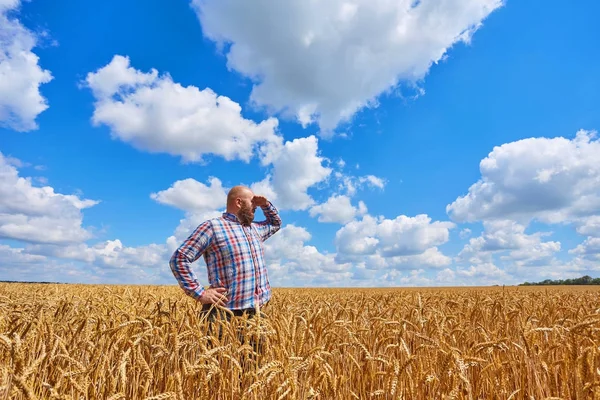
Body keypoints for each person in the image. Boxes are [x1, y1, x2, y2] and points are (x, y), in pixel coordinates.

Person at [168, 185, 282, 353]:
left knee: (254, 367)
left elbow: (275, 223)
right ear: (239, 202)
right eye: (253, 205)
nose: (255, 209)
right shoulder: (212, 227)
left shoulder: (254, 229)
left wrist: (266, 205)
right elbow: (179, 259)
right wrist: (199, 293)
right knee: (218, 366)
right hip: (222, 314)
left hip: (255, 313)